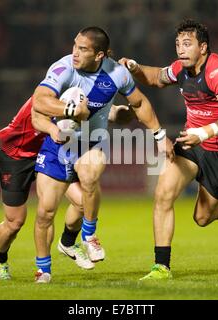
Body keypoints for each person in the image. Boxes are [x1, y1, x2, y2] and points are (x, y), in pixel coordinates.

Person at [31, 26, 174, 283]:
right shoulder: (63, 68)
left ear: (99, 56)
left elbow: (139, 103)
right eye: (75, 45)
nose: (75, 52)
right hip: (59, 143)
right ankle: (44, 269)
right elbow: (39, 100)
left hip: (93, 142)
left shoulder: (117, 73)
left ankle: (88, 234)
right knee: (45, 212)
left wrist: (159, 136)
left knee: (89, 175)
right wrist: (71, 109)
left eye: (83, 49)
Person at [119, 18, 218, 280]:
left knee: (202, 218)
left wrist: (205, 132)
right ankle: (161, 267)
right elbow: (154, 78)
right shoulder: (180, 69)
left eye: (187, 44)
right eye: (177, 43)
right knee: (163, 193)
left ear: (203, 47)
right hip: (190, 142)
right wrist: (134, 67)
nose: (180, 49)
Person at [0, 93, 131, 280]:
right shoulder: (49, 92)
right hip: (17, 155)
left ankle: (67, 242)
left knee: (83, 202)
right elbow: (49, 114)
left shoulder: (78, 86)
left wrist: (126, 112)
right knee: (15, 222)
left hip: (52, 151)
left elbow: (104, 112)